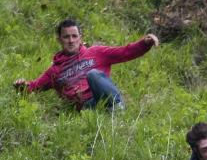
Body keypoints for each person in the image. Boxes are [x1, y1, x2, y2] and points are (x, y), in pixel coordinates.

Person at [13, 19, 158, 111]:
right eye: (66, 37)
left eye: (74, 36)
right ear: (59, 40)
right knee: (82, 107)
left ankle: (117, 107)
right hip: (86, 106)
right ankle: (108, 113)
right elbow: (34, 87)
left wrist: (145, 43)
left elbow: (125, 52)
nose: (71, 40)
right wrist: (22, 86)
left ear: (80, 38)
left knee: (93, 74)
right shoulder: (54, 71)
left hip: (104, 96)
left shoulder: (97, 52)